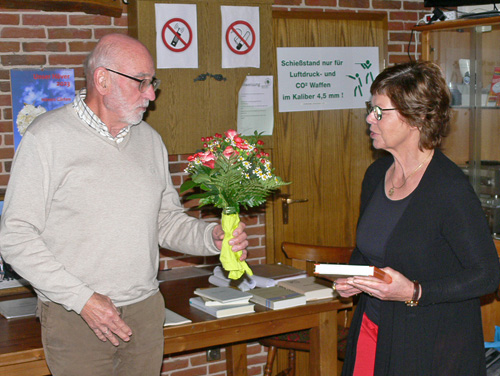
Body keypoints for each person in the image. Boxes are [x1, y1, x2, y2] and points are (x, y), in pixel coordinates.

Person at [0, 33, 249, 376]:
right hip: (76, 317)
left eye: (152, 82)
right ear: (102, 80)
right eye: (141, 82)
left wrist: (212, 238)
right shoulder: (47, 138)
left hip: (145, 312)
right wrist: (83, 299)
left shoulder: (150, 141)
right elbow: (15, 237)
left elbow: (165, 221)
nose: (151, 94)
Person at [335, 61, 500, 376]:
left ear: (417, 118)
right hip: (373, 326)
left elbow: (487, 275)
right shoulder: (375, 176)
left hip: (431, 344)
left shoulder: (449, 189)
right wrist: (353, 279)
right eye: (371, 109)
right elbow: (370, 250)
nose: (370, 118)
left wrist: (414, 291)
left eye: (381, 112)